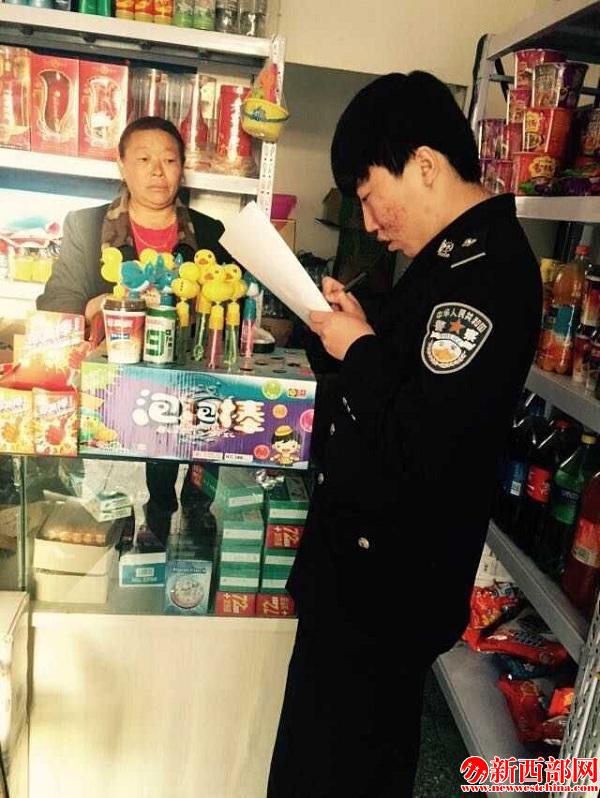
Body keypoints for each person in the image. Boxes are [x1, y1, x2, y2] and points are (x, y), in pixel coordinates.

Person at [267, 71, 542, 797]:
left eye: (368, 195)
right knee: (330, 757)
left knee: (341, 770)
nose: (368, 221)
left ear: (423, 164)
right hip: (364, 578)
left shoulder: (487, 271)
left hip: (385, 590)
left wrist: (360, 350)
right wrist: (363, 332)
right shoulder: (446, 260)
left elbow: (427, 437)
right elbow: (415, 381)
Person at [37, 116, 230, 542]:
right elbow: (55, 306)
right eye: (143, 159)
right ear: (122, 165)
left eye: (169, 160)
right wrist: (98, 306)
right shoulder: (86, 226)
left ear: (182, 168)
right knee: (108, 529)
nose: (158, 171)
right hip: (110, 405)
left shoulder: (209, 233)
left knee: (183, 530)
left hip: (187, 406)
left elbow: (225, 308)